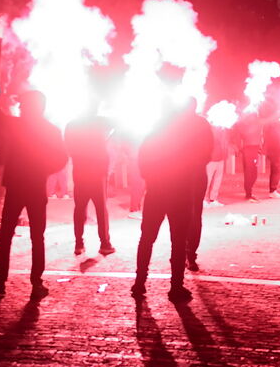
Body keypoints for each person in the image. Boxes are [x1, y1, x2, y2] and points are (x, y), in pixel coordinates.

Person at [0, 91, 67, 299]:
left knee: (6, 236)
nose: (20, 108)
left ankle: (0, 280)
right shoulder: (51, 130)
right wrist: (44, 170)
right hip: (35, 187)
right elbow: (61, 158)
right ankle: (36, 282)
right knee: (36, 237)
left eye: (23, 105)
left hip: (17, 186)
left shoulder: (18, 125)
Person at [132, 98, 213, 302]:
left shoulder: (152, 137)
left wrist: (153, 180)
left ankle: (140, 282)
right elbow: (200, 160)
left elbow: (142, 164)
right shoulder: (185, 140)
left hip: (156, 194)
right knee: (177, 242)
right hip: (180, 194)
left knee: (147, 239)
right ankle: (176, 287)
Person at [65, 105, 115, 256]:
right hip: (98, 172)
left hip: (80, 171)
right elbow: (119, 124)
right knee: (101, 208)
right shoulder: (100, 122)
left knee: (79, 207)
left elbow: (68, 147)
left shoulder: (72, 125)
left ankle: (78, 243)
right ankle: (105, 243)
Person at [234, 111, 263, 202]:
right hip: (249, 150)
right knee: (250, 173)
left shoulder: (255, 123)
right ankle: (248, 195)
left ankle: (249, 193)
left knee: (253, 173)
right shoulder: (246, 126)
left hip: (253, 150)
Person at [264, 110, 280, 197]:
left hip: (275, 149)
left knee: (275, 170)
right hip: (277, 150)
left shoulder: (273, 124)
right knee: (277, 170)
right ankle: (273, 190)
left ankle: (273, 190)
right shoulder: (278, 125)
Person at [203, 121, 228, 205]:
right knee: (208, 179)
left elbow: (224, 143)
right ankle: (204, 199)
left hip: (221, 157)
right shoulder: (211, 130)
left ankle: (213, 198)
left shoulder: (222, 130)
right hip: (212, 158)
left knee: (217, 179)